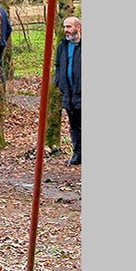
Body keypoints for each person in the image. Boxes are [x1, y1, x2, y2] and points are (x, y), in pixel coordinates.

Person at [54, 16, 82, 166]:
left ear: (79, 28)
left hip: (81, 92)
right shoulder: (62, 46)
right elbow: (58, 65)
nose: (66, 30)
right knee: (74, 126)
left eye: (69, 27)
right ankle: (78, 154)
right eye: (65, 27)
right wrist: (59, 81)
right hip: (69, 92)